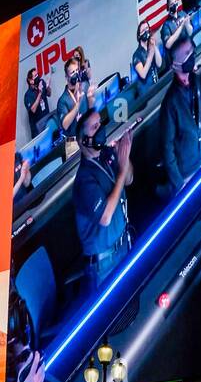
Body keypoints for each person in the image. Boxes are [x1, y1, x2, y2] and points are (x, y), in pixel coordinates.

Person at [72, 110, 133, 292]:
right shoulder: (84, 179)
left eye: (100, 123)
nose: (101, 129)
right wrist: (121, 171)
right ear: (83, 140)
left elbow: (129, 179)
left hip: (123, 245)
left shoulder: (106, 154)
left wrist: (125, 156)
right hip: (104, 264)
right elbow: (105, 217)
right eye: (94, 127)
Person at [160, 35, 201, 195]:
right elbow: (167, 147)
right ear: (174, 65)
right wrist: (179, 184)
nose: (191, 55)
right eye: (186, 54)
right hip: (186, 175)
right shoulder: (170, 102)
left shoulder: (196, 81)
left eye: (191, 51)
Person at [57, 56, 96, 146]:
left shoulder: (85, 86)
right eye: (72, 72)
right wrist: (78, 103)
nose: (76, 74)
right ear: (67, 77)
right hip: (73, 143)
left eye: (77, 71)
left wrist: (90, 98)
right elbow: (65, 125)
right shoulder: (62, 100)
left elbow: (91, 112)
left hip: (88, 134)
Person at [160, 0, 193, 66]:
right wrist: (181, 26)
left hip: (188, 51)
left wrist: (187, 24)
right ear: (168, 7)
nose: (175, 4)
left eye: (176, 1)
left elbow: (190, 32)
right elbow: (168, 44)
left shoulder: (182, 14)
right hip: (177, 59)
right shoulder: (166, 25)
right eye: (172, 3)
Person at [132, 20, 162, 92]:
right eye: (143, 30)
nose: (146, 31)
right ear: (139, 36)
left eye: (147, 29)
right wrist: (150, 55)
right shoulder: (136, 55)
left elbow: (159, 64)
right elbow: (143, 74)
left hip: (156, 85)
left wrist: (154, 46)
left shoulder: (151, 47)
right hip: (146, 92)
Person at [23, 67, 52, 138]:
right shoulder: (28, 95)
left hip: (47, 122)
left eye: (37, 74)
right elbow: (33, 109)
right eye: (35, 76)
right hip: (37, 130)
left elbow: (49, 94)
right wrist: (39, 93)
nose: (38, 77)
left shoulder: (41, 82)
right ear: (30, 81)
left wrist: (48, 87)